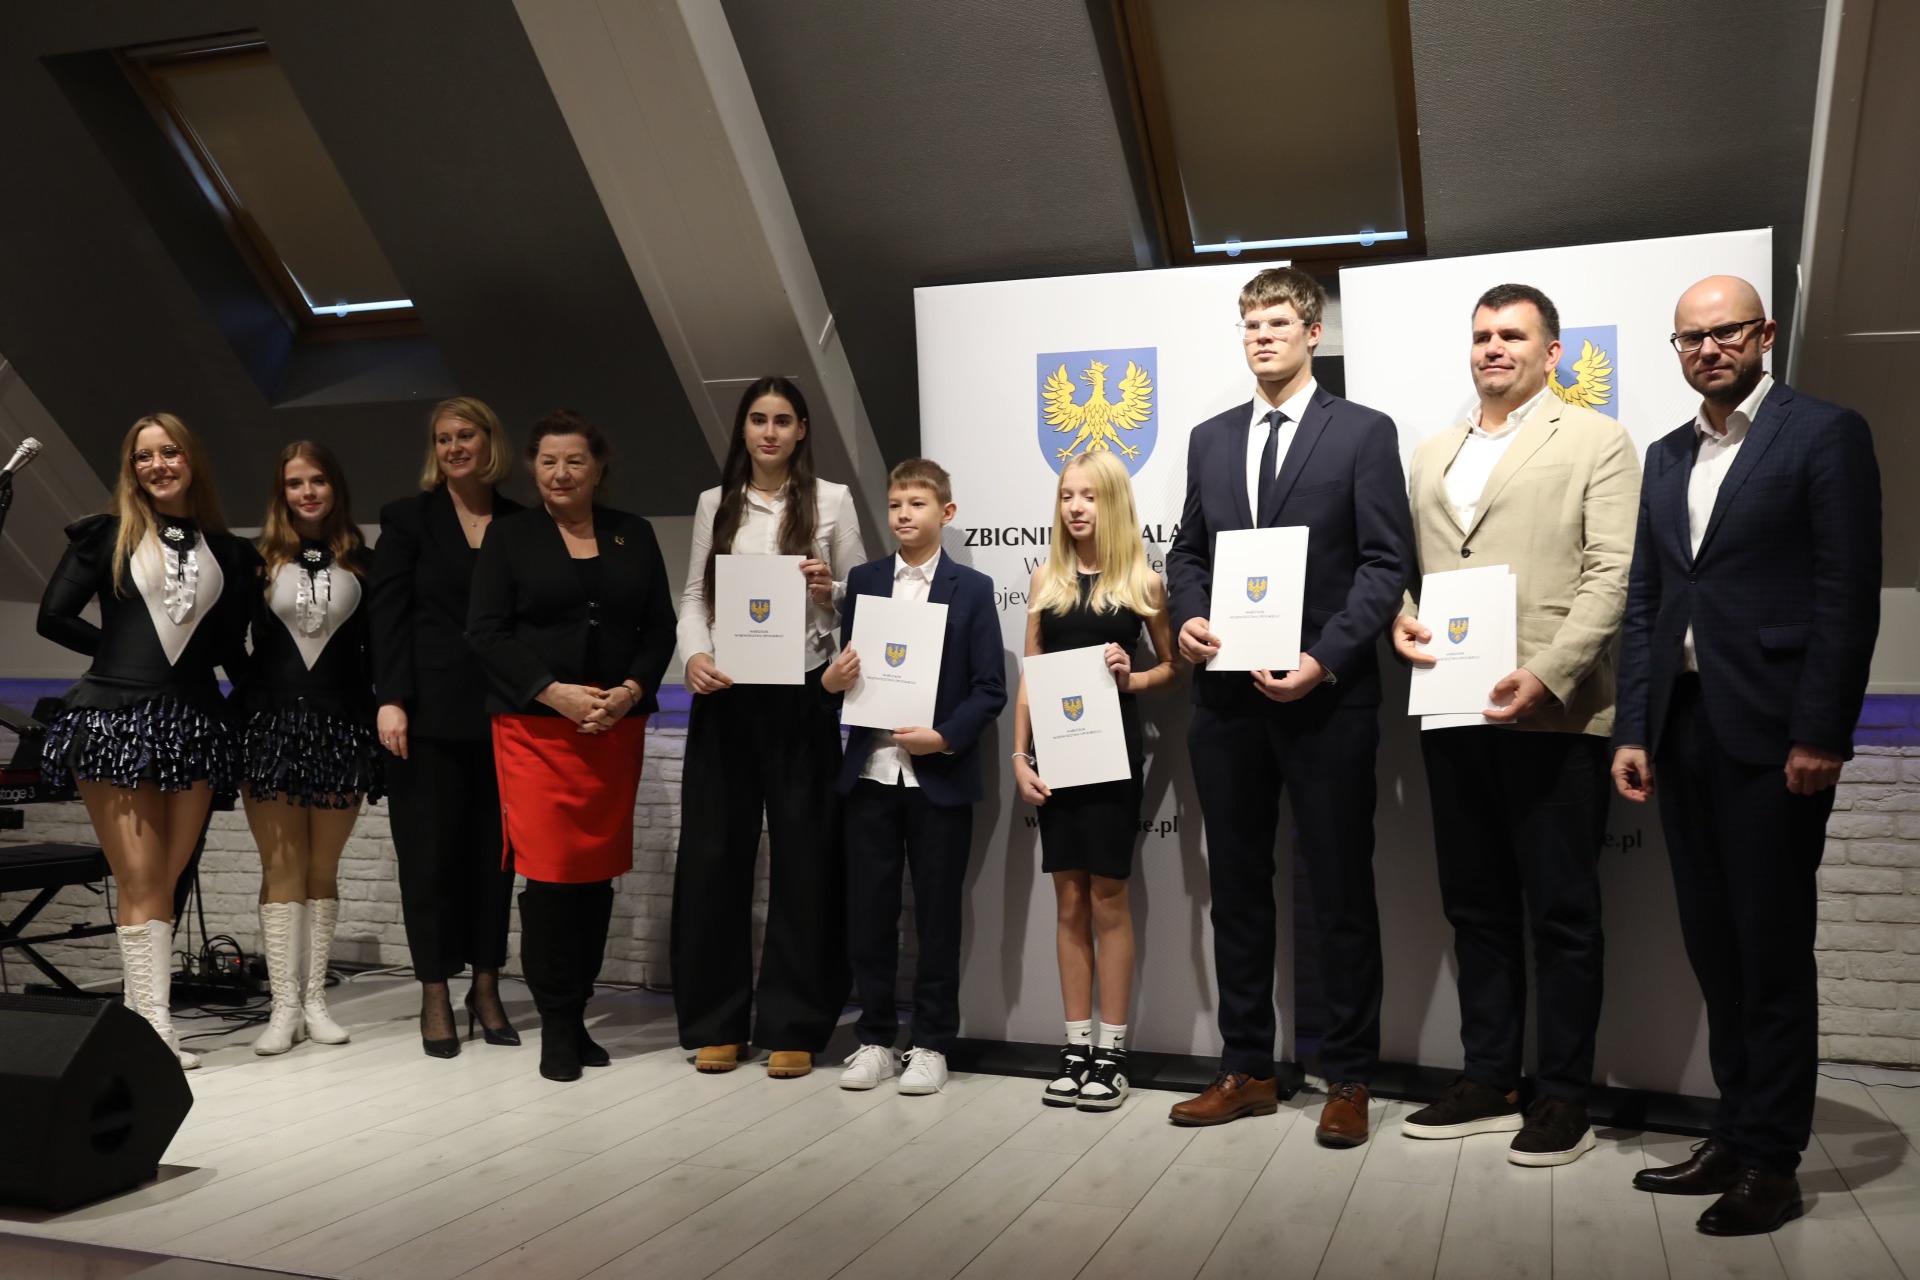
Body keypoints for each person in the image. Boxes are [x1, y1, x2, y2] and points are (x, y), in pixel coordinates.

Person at [1612, 276, 1881, 1235]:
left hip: (1776, 739)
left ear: (1764, 333)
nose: (1709, 349)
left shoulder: (1823, 433)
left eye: (1726, 332)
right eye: (1690, 338)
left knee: (1769, 954)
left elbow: (1847, 596)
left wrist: (1823, 732)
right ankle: (1733, 1129)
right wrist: (1634, 727)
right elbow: (1647, 601)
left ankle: (1773, 1160)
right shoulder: (1665, 454)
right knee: (1714, 950)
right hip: (1683, 730)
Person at [1389, 284, 1640, 1165]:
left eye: (1512, 335)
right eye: (1482, 336)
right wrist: (1404, 619)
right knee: (1475, 904)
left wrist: (1549, 673)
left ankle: (1565, 1095)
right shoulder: (1430, 453)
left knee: (1563, 912)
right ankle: (1491, 1077)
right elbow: (1419, 571)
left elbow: (1614, 575)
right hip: (1452, 707)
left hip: (1557, 714)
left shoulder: (1597, 440)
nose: (1494, 349)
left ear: (1553, 349)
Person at [1165, 267, 1414, 1143]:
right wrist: (1190, 615)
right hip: (1228, 703)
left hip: (1327, 702)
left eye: (1277, 322)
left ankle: (1348, 1078)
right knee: (1237, 888)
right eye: (1250, 324)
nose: (1261, 336)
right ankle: (1248, 1067)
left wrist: (1325, 660)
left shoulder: (1364, 433)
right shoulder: (1209, 437)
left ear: (1314, 333)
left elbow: (1388, 565)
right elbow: (1187, 552)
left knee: (1340, 889)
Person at [36, 413, 258, 1069]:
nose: (157, 465)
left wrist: (265, 702)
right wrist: (120, 660)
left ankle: (146, 1024)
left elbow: (226, 651)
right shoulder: (105, 536)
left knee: (165, 877)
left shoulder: (234, 554)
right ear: (130, 470)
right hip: (113, 717)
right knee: (137, 876)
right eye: (143, 457)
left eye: (169, 453)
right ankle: (151, 1030)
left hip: (193, 723)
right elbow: (53, 616)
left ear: (192, 460)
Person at [469, 411, 676, 1082]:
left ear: (599, 468)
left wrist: (630, 690)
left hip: (613, 729)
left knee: (595, 877)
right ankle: (557, 1024)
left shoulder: (633, 534)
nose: (560, 474)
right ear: (533, 468)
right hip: (536, 732)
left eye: (574, 462)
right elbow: (487, 633)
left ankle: (579, 1010)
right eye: (548, 462)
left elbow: (659, 629)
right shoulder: (510, 537)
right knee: (552, 878)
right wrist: (551, 691)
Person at [672, 375, 866, 1078]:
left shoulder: (833, 501)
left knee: (805, 859)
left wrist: (829, 591)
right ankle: (717, 1022)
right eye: (758, 419)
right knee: (715, 858)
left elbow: (864, 597)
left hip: (802, 696)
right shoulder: (714, 503)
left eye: (784, 420)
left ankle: (796, 1023)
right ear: (743, 429)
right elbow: (695, 596)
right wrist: (694, 654)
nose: (770, 432)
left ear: (803, 430)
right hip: (726, 694)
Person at [825, 458, 1007, 1096]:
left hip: (939, 777)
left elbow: (990, 689)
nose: (904, 514)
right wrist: (830, 683)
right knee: (870, 915)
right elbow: (844, 680)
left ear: (945, 514)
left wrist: (944, 737)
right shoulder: (864, 581)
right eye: (896, 503)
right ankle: (874, 1038)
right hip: (870, 775)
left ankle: (931, 1043)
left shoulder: (972, 588)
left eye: (918, 504)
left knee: (936, 916)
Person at [1010, 450, 1176, 1111]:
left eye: (1090, 496)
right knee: (1067, 903)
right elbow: (1030, 677)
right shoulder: (1044, 579)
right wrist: (1020, 758)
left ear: (1113, 502)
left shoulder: (1143, 582)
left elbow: (1171, 667)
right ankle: (1074, 1047)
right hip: (1055, 758)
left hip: (1112, 759)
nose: (1076, 506)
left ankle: (1112, 1053)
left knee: (1108, 900)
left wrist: (1128, 676)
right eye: (1067, 495)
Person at [367, 397, 525, 1056]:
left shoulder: (523, 523)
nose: (455, 447)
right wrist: (391, 699)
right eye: (443, 438)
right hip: (425, 716)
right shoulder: (407, 519)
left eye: (466, 435)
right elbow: (388, 616)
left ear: (491, 442)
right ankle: (435, 991)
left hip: (506, 715)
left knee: (495, 861)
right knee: (429, 861)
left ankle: (485, 987)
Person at [240, 441, 385, 1055]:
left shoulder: (367, 564)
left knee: (323, 868)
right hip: (269, 729)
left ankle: (316, 1001)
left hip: (341, 728)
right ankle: (282, 1009)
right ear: (281, 493)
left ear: (335, 488)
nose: (307, 492)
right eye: (295, 483)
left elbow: (377, 655)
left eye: (317, 480)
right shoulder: (255, 563)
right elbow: (227, 643)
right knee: (283, 868)